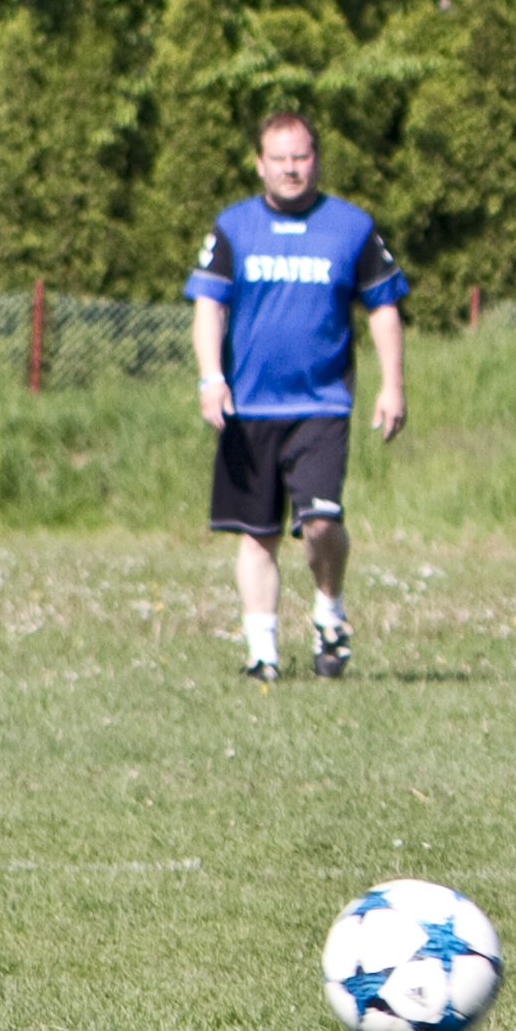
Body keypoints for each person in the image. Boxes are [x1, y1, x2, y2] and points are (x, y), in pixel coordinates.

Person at [185, 112, 409, 681]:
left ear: (317, 159)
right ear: (260, 164)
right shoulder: (233, 228)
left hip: (322, 404)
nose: (291, 168)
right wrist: (211, 377)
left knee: (320, 523)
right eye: (279, 158)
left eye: (302, 156)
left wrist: (392, 385)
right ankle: (262, 655)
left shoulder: (351, 227)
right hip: (249, 407)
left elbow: (383, 307)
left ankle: (329, 612)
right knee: (256, 535)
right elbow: (209, 306)